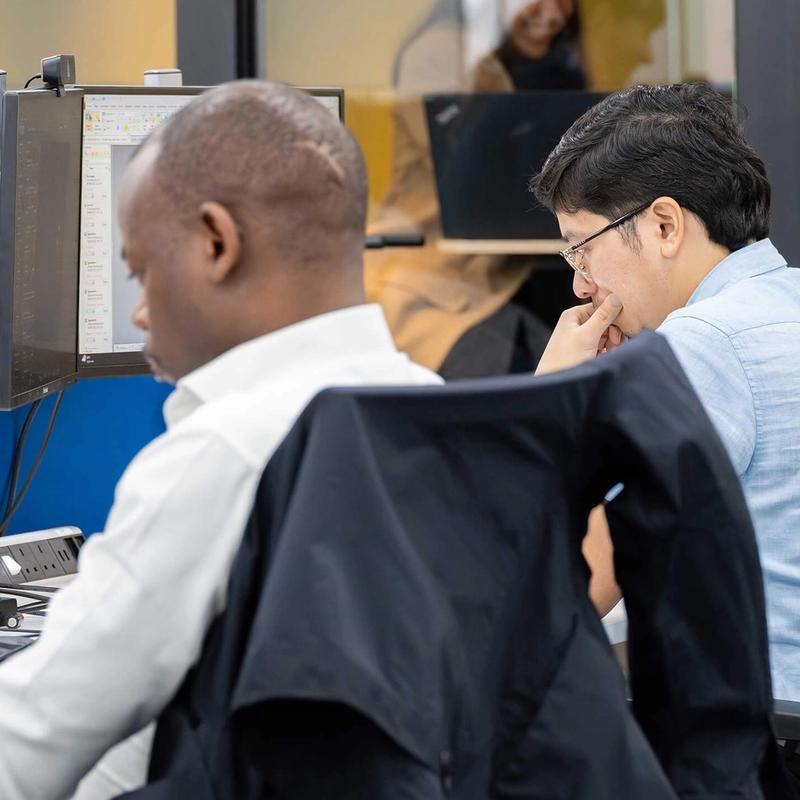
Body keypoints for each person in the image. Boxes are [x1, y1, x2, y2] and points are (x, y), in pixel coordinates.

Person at [0, 80, 441, 800]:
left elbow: (32, 737)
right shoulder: (432, 404)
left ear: (216, 242)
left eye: (141, 271)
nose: (139, 312)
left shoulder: (222, 454)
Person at [530, 82, 800, 704]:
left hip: (754, 747)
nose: (581, 286)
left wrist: (558, 396)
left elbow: (567, 583)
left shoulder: (701, 342)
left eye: (582, 249)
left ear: (664, 224)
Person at [367, 0, 584, 378]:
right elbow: (469, 168)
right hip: (440, 278)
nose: (553, 13)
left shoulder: (523, 62)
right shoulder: (445, 51)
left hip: (503, 271)